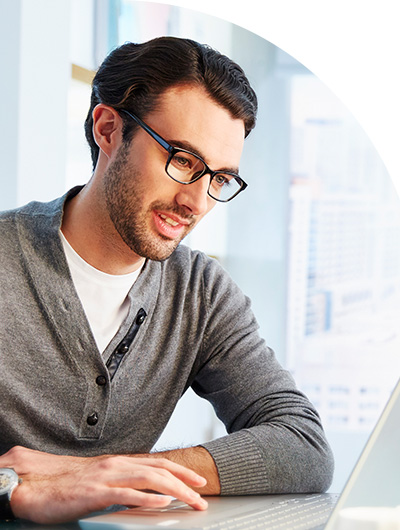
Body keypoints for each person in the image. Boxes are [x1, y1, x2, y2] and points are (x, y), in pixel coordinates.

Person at [0, 36, 334, 524]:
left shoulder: (200, 292)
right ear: (109, 129)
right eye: (182, 160)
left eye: (218, 178)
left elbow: (303, 445)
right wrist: (10, 485)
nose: (197, 204)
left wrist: (106, 473)